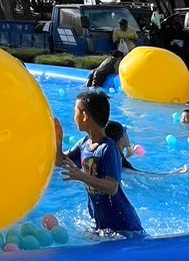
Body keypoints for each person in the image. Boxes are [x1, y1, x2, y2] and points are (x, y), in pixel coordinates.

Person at [55, 91, 143, 234]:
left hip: (124, 226)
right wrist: (58, 141)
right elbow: (61, 162)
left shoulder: (108, 148)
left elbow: (112, 186)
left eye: (75, 112)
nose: (74, 117)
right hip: (102, 224)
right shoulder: (85, 144)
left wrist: (82, 176)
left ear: (84, 116)